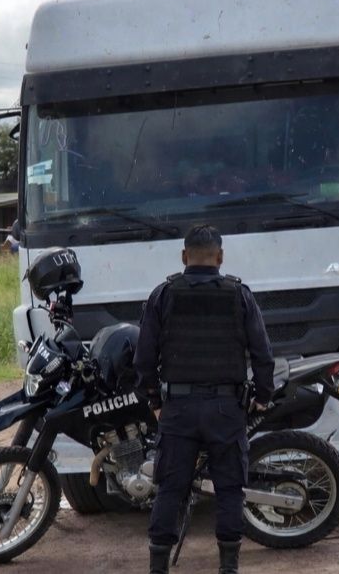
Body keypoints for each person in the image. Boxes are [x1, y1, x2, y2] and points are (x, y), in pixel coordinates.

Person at [133, 224, 275, 574]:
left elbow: (144, 358)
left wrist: (155, 401)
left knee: (170, 489)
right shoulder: (239, 294)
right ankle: (228, 568)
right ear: (220, 256)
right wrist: (261, 398)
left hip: (178, 408)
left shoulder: (163, 294)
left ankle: (158, 567)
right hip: (227, 409)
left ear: (184, 256)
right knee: (229, 489)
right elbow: (263, 354)